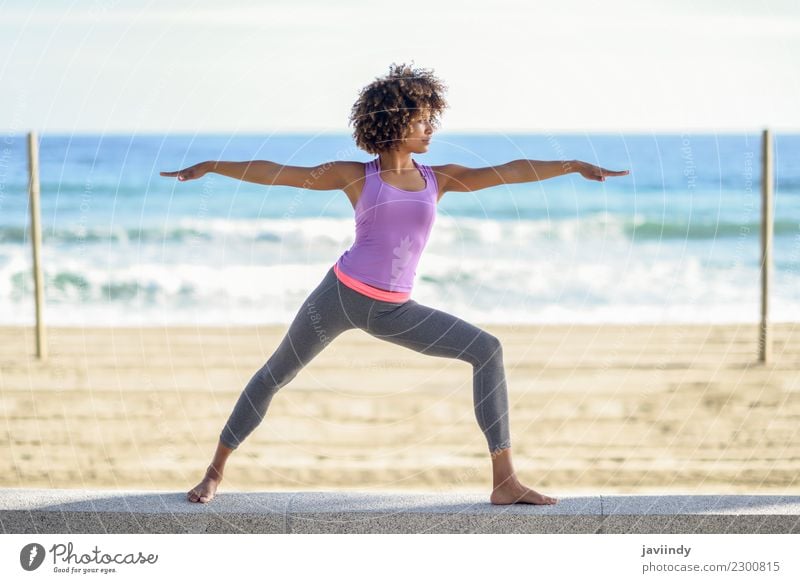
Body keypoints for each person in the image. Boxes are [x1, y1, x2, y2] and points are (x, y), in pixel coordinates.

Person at [160, 62, 629, 506]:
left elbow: (512, 170)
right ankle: (215, 472)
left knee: (486, 349)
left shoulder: (438, 179)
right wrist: (211, 166)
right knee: (275, 374)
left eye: (431, 120)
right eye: (423, 120)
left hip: (394, 311)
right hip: (338, 297)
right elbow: (279, 174)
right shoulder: (356, 177)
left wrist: (571, 165)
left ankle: (505, 481)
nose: (431, 129)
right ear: (397, 122)